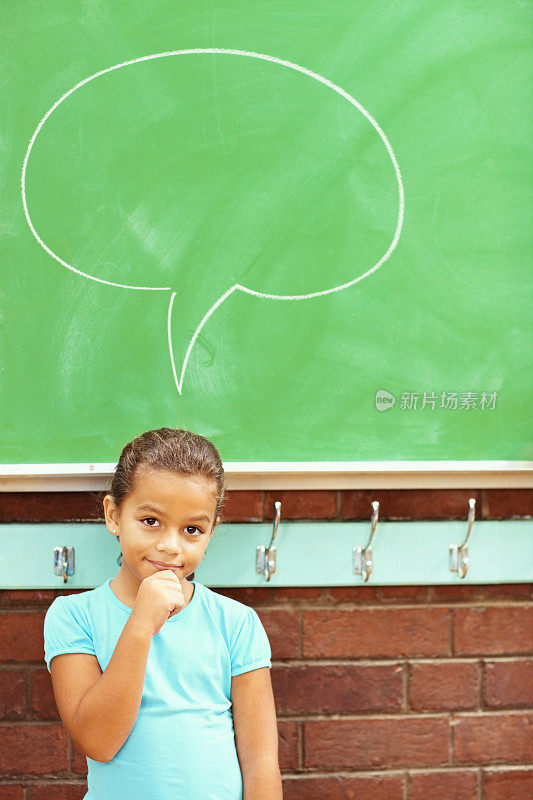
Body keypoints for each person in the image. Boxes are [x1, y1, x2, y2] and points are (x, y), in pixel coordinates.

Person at [43, 427, 282, 800]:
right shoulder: (73, 616)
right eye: (151, 521)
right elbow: (99, 741)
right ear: (113, 515)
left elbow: (260, 760)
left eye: (192, 529)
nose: (170, 546)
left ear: (211, 531)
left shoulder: (236, 623)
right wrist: (140, 623)